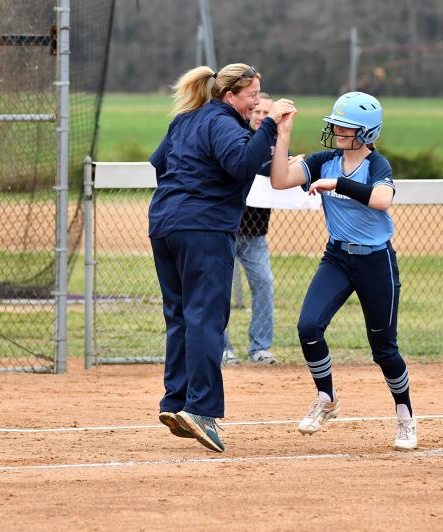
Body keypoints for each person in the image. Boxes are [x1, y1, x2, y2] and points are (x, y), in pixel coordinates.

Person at [149, 63, 295, 453]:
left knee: (180, 314)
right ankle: (200, 409)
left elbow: (158, 163)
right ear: (229, 96)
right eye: (252, 97)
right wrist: (269, 127)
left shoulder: (186, 120)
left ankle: (175, 401)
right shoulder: (223, 122)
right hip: (203, 228)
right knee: (206, 317)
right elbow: (241, 164)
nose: (256, 103)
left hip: (165, 225)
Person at [269, 91, 417, 450]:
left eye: (345, 126)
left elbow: (382, 199)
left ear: (366, 133)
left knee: (383, 348)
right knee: (308, 326)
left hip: (375, 261)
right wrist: (283, 133)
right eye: (335, 123)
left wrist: (338, 184)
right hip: (338, 258)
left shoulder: (377, 165)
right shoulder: (324, 160)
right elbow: (279, 180)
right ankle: (327, 397)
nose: (336, 130)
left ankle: (405, 417)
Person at [221, 92, 278, 367]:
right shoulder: (236, 137)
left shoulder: (275, 144)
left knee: (264, 285)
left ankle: (260, 348)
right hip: (226, 229)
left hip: (255, 233)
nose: (261, 117)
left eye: (267, 114)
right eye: (257, 111)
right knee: (218, 290)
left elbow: (278, 176)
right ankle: (222, 348)